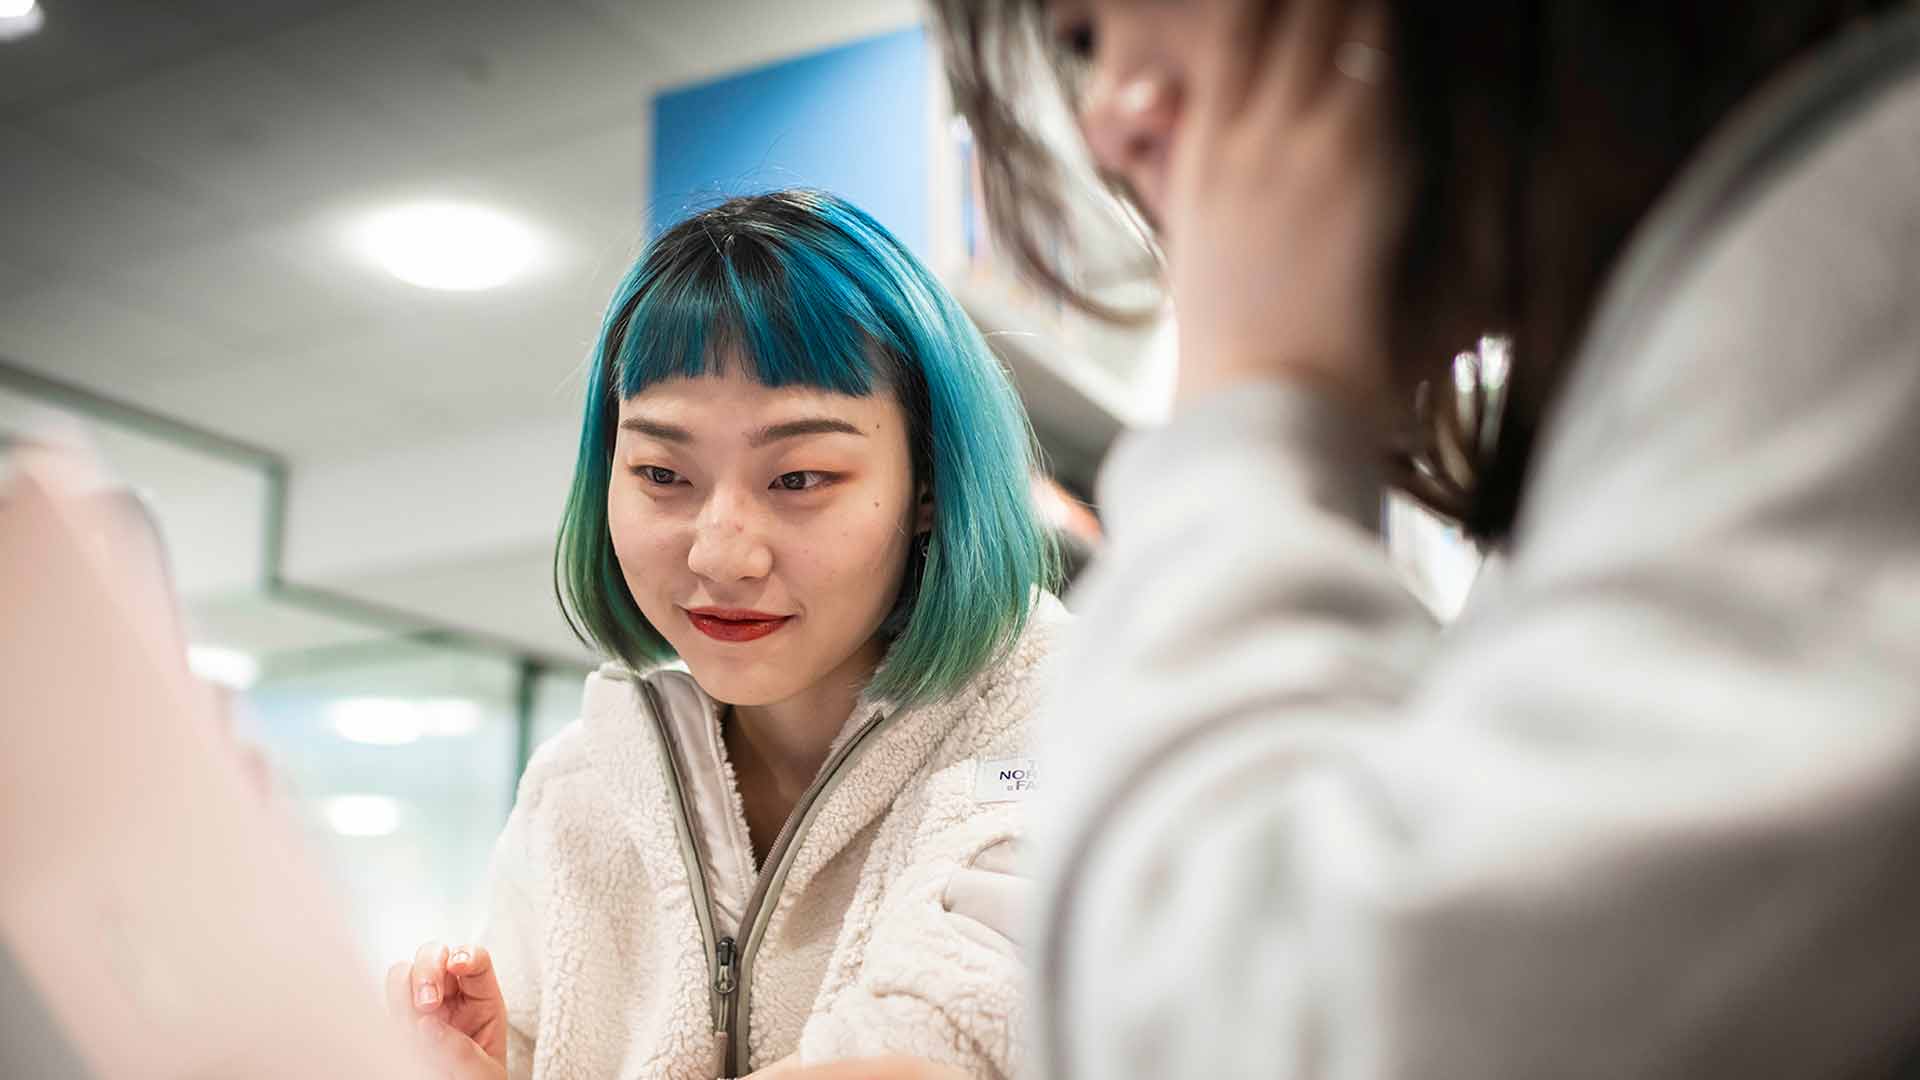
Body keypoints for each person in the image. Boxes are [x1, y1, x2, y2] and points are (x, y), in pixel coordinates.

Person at [931, 0, 1920, 1076]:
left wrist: (1255, 406)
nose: (1109, 120)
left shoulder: (1861, 262)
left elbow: (1241, 1025)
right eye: (1082, 50)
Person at [391, 189, 1063, 1079]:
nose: (723, 554)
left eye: (800, 477)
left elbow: (959, 1044)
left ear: (929, 485)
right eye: (663, 472)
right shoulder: (578, 788)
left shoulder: (1058, 721)